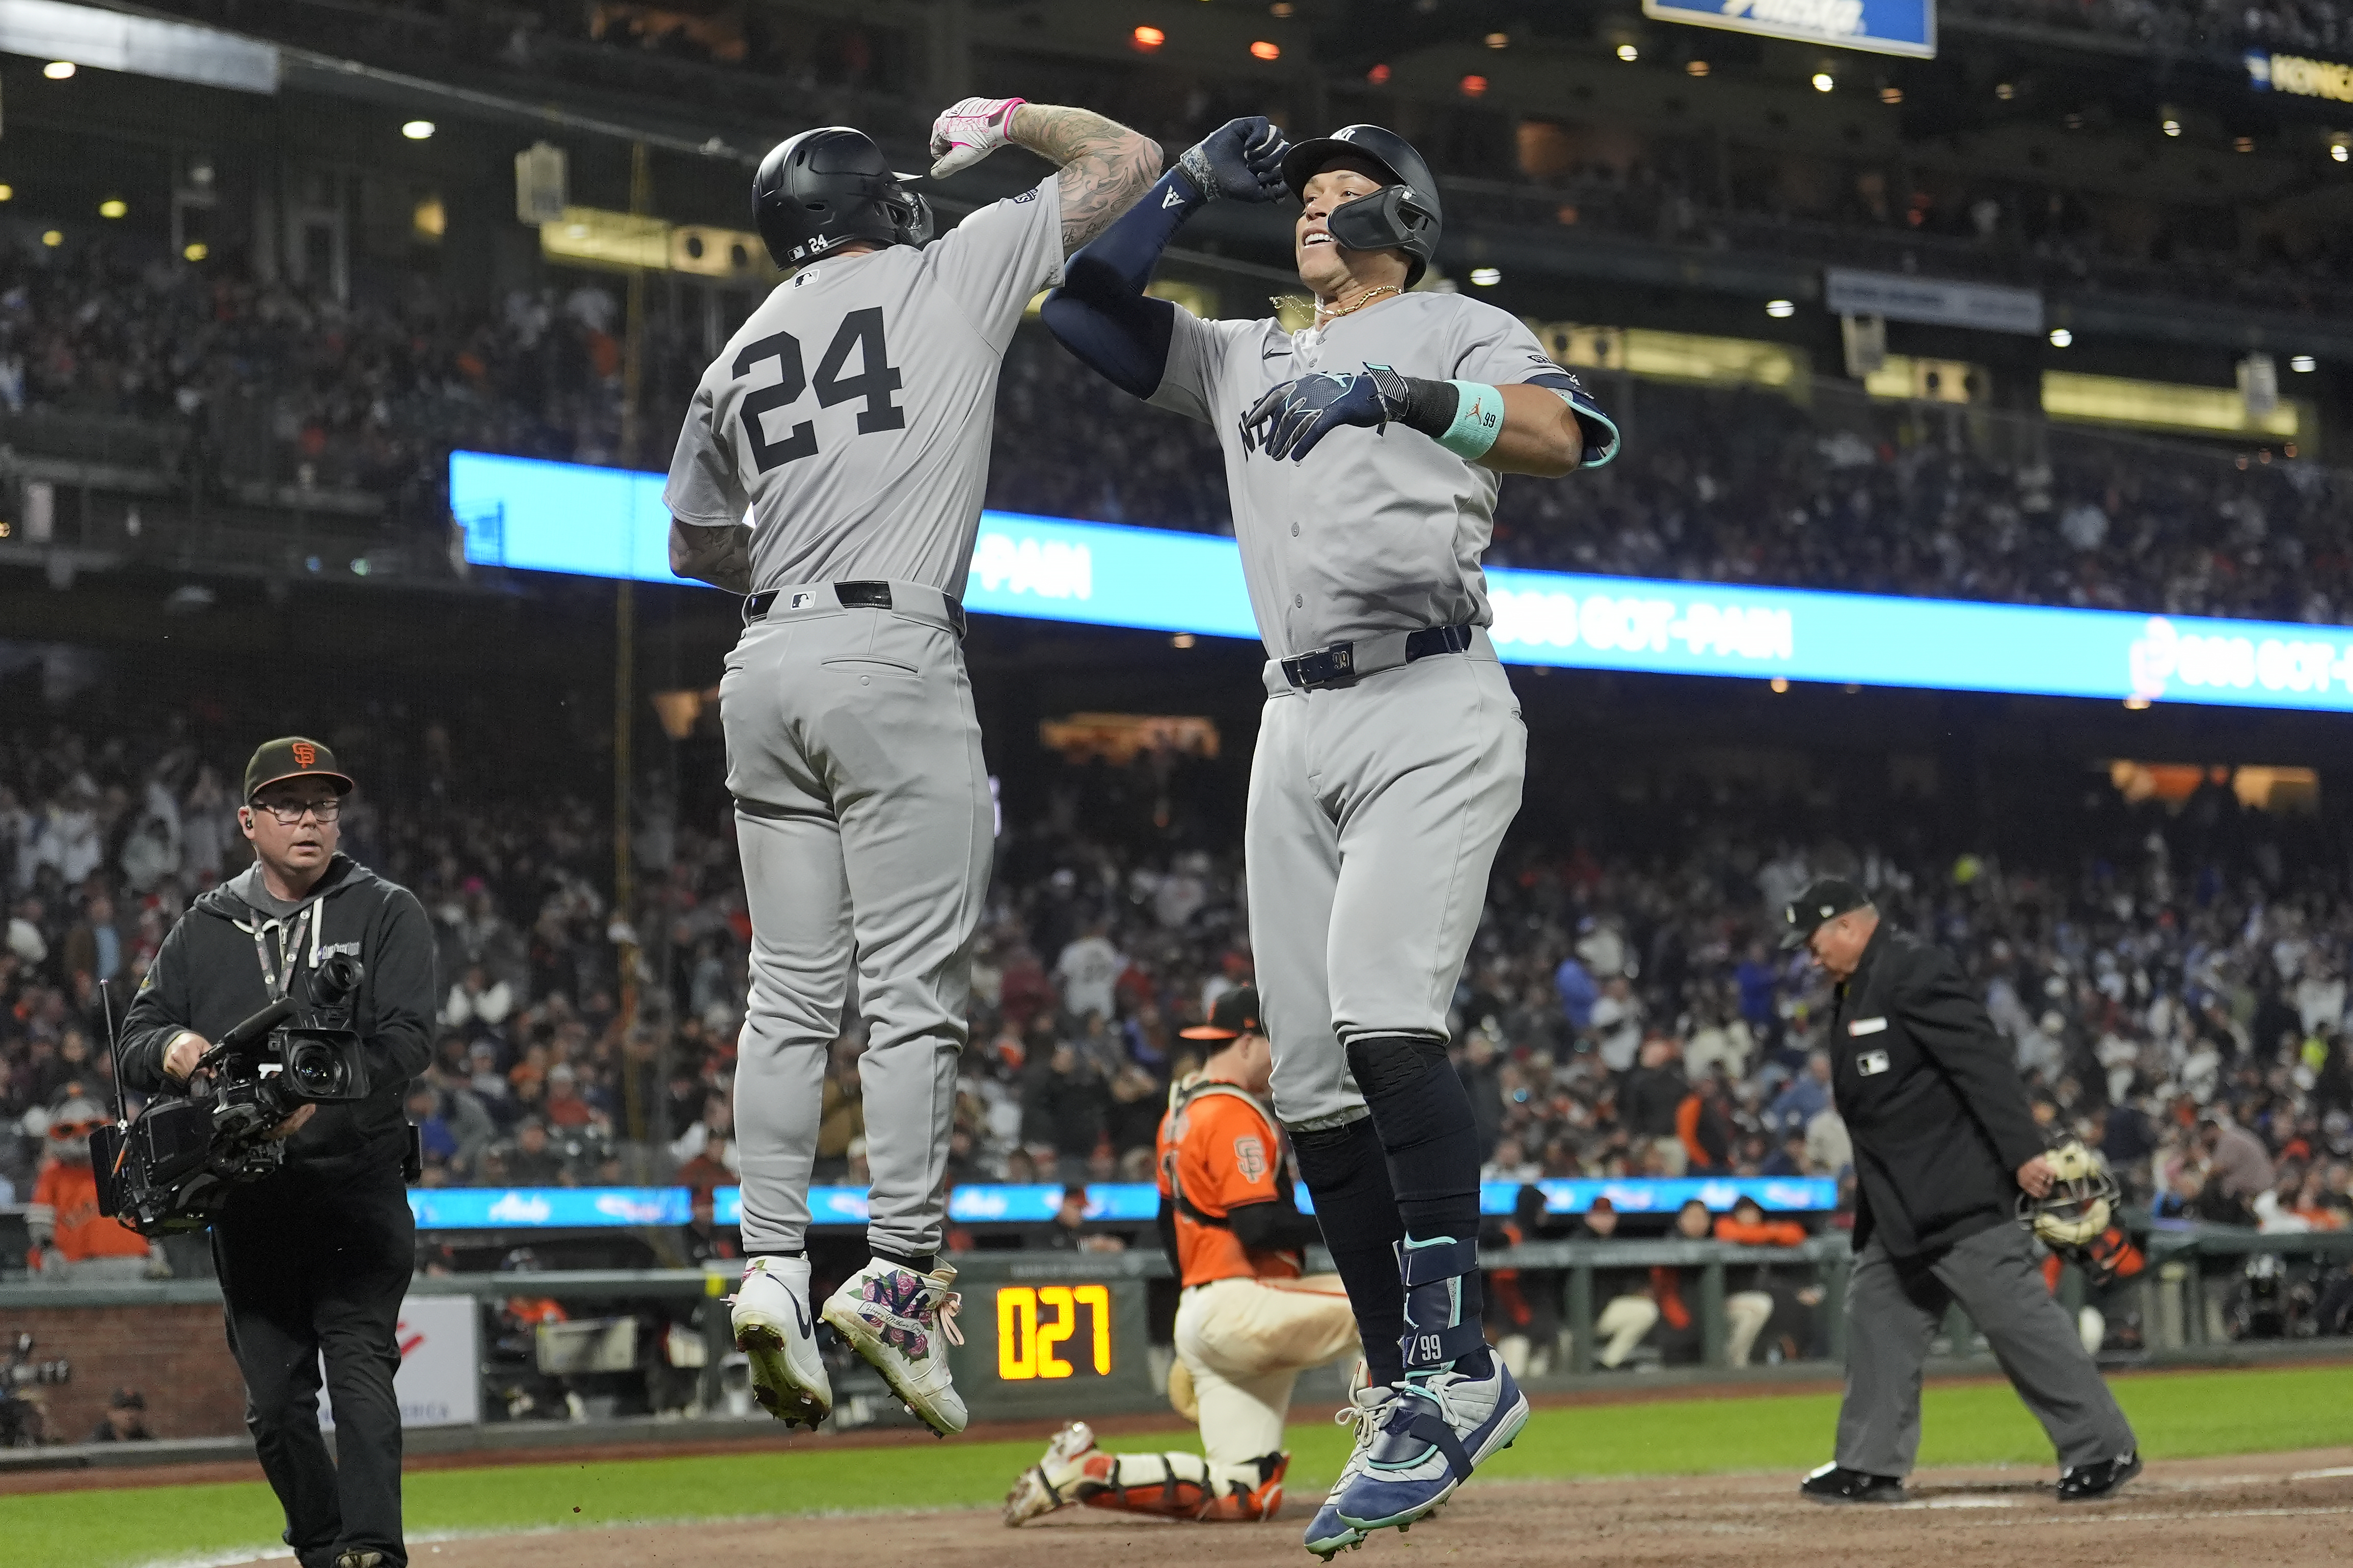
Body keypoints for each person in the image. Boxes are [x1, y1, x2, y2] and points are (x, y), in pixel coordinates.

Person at [1041, 120, 1617, 1557]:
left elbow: (1564, 435)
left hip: (1430, 690)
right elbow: (1078, 312)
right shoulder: (1246, 351)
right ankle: (1405, 1372)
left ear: (1411, 214)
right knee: (1310, 1083)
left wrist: (1402, 390)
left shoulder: (1462, 320)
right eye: (1298, 190)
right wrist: (1176, 188)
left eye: (1341, 188)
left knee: (1380, 1016)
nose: (1313, 205)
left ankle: (1453, 1366)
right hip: (1291, 720)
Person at [667, 98, 1162, 1437]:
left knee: (786, 992)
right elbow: (1127, 164)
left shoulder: (738, 349)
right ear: (868, 205)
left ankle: (772, 1262)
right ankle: (891, 1272)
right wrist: (1010, 118)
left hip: (762, 665)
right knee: (910, 992)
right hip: (891, 651)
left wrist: (785, 561)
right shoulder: (949, 268)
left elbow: (691, 544)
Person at [119, 737, 436, 1568]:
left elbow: (407, 1042)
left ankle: (373, 1550)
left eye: (323, 805)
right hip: (250, 1197)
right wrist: (179, 1046)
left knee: (361, 1372)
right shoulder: (208, 923)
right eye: (290, 805)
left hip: (354, 1190)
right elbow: (135, 1039)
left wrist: (319, 1094)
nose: (309, 820)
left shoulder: (385, 909)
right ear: (248, 821)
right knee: (276, 1406)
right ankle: (325, 1545)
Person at [1782, 877, 2141, 1506]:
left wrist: (2021, 1150)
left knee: (2017, 1321)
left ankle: (2100, 1446)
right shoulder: (1855, 987)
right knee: (1875, 1316)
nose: (1810, 957)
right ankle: (1867, 1463)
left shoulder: (1911, 968)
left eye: (1814, 942)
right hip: (1896, 1204)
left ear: (1847, 926)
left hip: (1956, 1191)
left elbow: (1980, 1058)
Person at [1003, 987, 1355, 1527]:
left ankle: (1082, 1469)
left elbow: (1167, 1227)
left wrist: (1195, 1320)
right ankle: (1393, 1461)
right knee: (1397, 1298)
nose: (1281, 1056)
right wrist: (1359, 1225)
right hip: (1244, 1301)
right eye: (1273, 1042)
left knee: (1242, 1491)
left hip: (1205, 1308)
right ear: (1245, 1040)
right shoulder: (1232, 1111)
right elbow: (1257, 1225)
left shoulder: (1178, 1115)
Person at [25, 1094, 158, 1281]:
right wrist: (48, 1251)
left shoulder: (122, 1166)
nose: (81, 1136)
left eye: (93, 1126)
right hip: (74, 1267)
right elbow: (40, 1222)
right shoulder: (53, 1175)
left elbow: (145, 1210)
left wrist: (153, 1245)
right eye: (67, 1129)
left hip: (132, 1260)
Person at [88, 1387, 153, 1442]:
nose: (130, 1415)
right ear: (110, 1412)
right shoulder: (92, 1446)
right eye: (123, 1409)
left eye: (135, 1409)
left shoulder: (149, 1445)